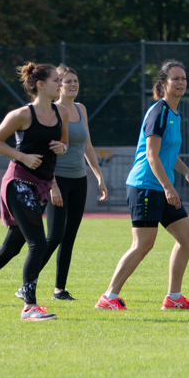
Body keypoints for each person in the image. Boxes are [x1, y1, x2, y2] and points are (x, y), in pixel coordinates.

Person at [0, 62, 70, 321]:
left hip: (41, 186)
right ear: (41, 85)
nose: (61, 84)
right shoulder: (21, 115)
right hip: (18, 182)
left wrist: (62, 148)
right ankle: (29, 307)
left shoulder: (62, 112)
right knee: (38, 243)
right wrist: (23, 156)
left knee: (11, 247)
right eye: (56, 80)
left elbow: (64, 143)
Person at [96, 60, 189, 311]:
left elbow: (168, 153)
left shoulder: (174, 113)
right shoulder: (159, 112)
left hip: (161, 186)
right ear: (163, 83)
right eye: (175, 78)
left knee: (187, 236)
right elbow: (152, 155)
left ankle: (174, 297)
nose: (181, 82)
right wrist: (169, 187)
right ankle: (109, 297)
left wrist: (187, 173)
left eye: (184, 78)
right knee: (143, 244)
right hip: (145, 186)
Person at [30, 64, 109, 301]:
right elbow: (48, 152)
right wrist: (52, 184)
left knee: (69, 236)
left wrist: (99, 176)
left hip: (79, 179)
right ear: (59, 85)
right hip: (57, 180)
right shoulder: (52, 112)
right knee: (54, 236)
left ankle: (59, 289)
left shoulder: (81, 109)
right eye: (68, 81)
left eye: (76, 81)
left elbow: (87, 146)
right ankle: (28, 281)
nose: (73, 85)